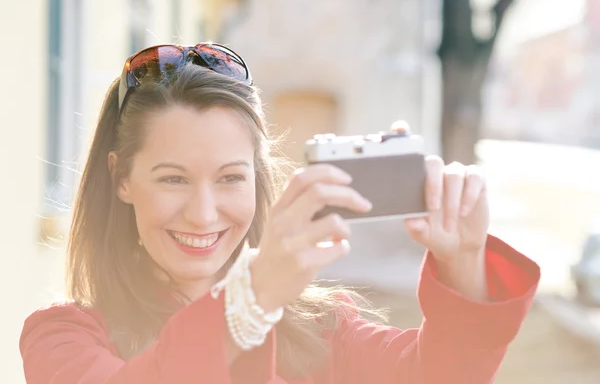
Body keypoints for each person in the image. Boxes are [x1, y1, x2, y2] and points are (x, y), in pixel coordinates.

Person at [19, 43, 540, 384]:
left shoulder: (321, 327)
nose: (203, 214)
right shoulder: (62, 338)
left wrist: (464, 260)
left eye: (230, 178)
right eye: (173, 178)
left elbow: (441, 374)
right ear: (121, 179)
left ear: (258, 178)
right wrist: (252, 297)